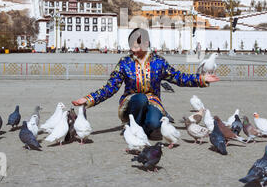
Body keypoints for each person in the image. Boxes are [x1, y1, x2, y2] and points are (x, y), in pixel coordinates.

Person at [72, 28, 219, 138]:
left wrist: (201, 79)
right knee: (140, 98)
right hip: (132, 101)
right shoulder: (125, 62)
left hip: (153, 102)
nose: (133, 50)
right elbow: (110, 88)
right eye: (131, 46)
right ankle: (131, 126)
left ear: (146, 43)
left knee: (154, 123)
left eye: (136, 46)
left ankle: (144, 129)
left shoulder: (159, 62)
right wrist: (89, 99)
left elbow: (178, 77)